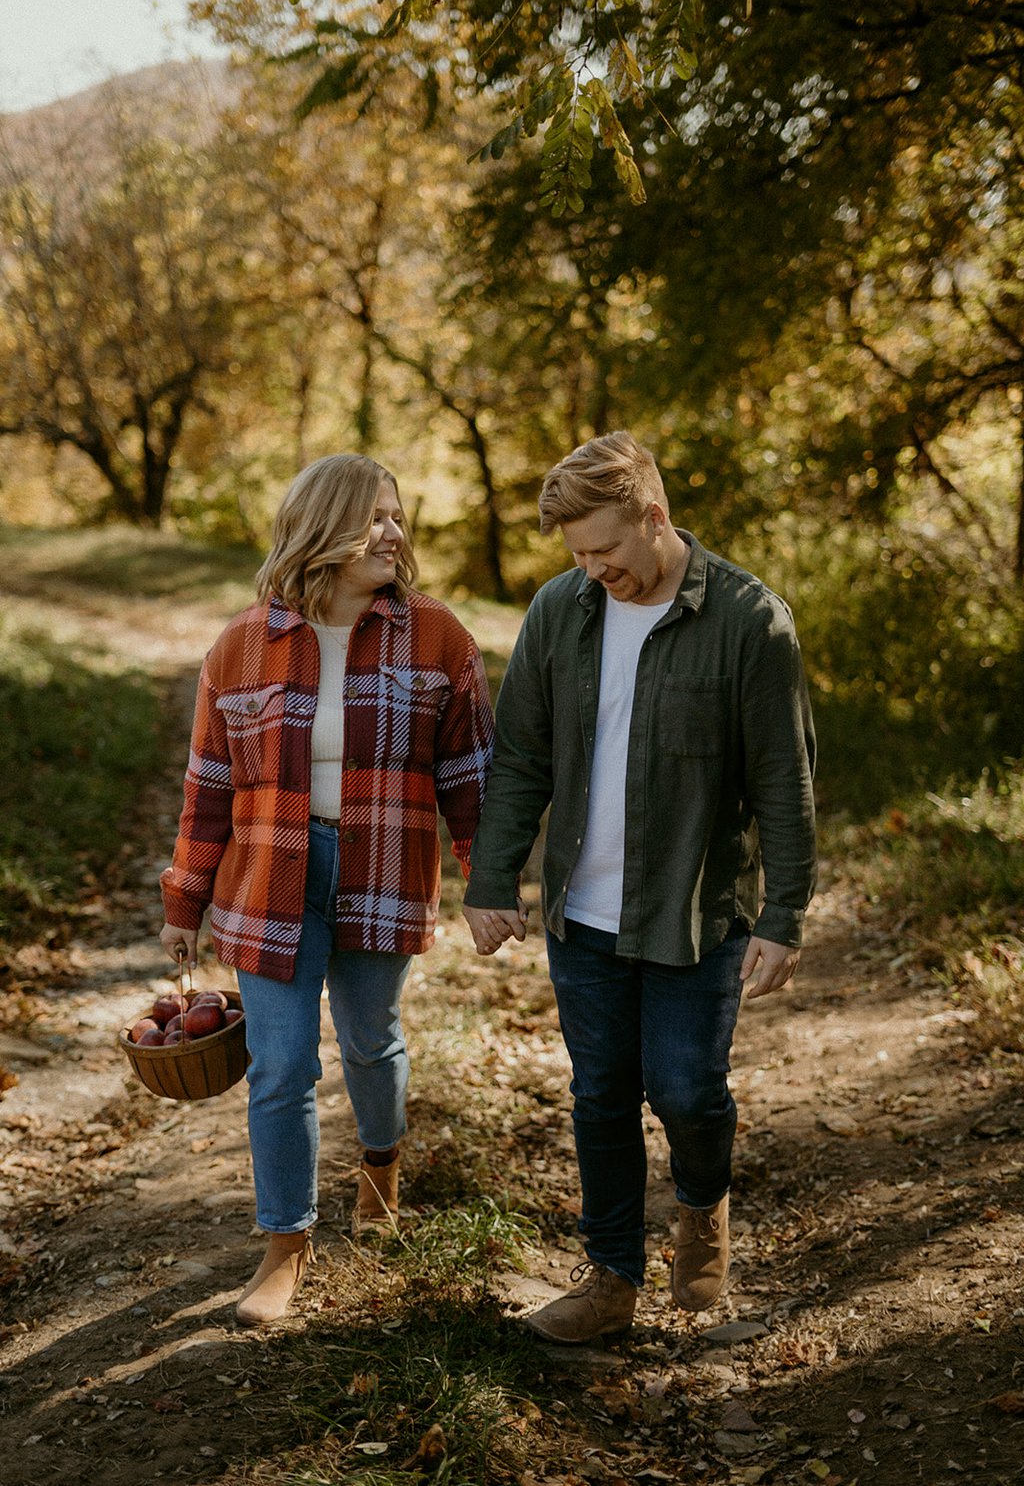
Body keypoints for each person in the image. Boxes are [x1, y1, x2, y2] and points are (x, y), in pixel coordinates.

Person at [463, 430, 816, 1344]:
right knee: (601, 1094)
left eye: (606, 550)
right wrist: (492, 875)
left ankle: (701, 1207)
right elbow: (522, 758)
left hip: (696, 911)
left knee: (689, 1089)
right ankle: (611, 1274)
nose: (592, 570)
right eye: (577, 555)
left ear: (653, 518)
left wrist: (785, 915)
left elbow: (784, 777)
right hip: (580, 911)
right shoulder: (559, 610)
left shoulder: (748, 620)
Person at [159, 452, 494, 1326]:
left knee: (371, 1040)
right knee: (280, 1066)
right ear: (325, 529)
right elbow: (207, 788)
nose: (394, 532)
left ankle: (379, 1169)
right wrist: (184, 903)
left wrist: (487, 876)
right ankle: (285, 1244)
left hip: (383, 864)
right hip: (269, 875)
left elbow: (470, 772)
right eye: (375, 517)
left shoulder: (438, 636)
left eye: (396, 515)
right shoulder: (241, 645)